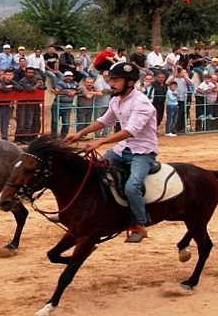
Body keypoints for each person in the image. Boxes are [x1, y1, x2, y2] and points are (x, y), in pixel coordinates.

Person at [66, 61, 158, 243]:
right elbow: (104, 120)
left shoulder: (142, 103)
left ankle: (139, 224)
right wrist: (81, 133)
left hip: (143, 152)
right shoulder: (116, 100)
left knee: (132, 187)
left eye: (115, 80)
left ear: (130, 82)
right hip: (122, 150)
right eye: (110, 79)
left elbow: (130, 131)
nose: (111, 83)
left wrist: (99, 141)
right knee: (91, 171)